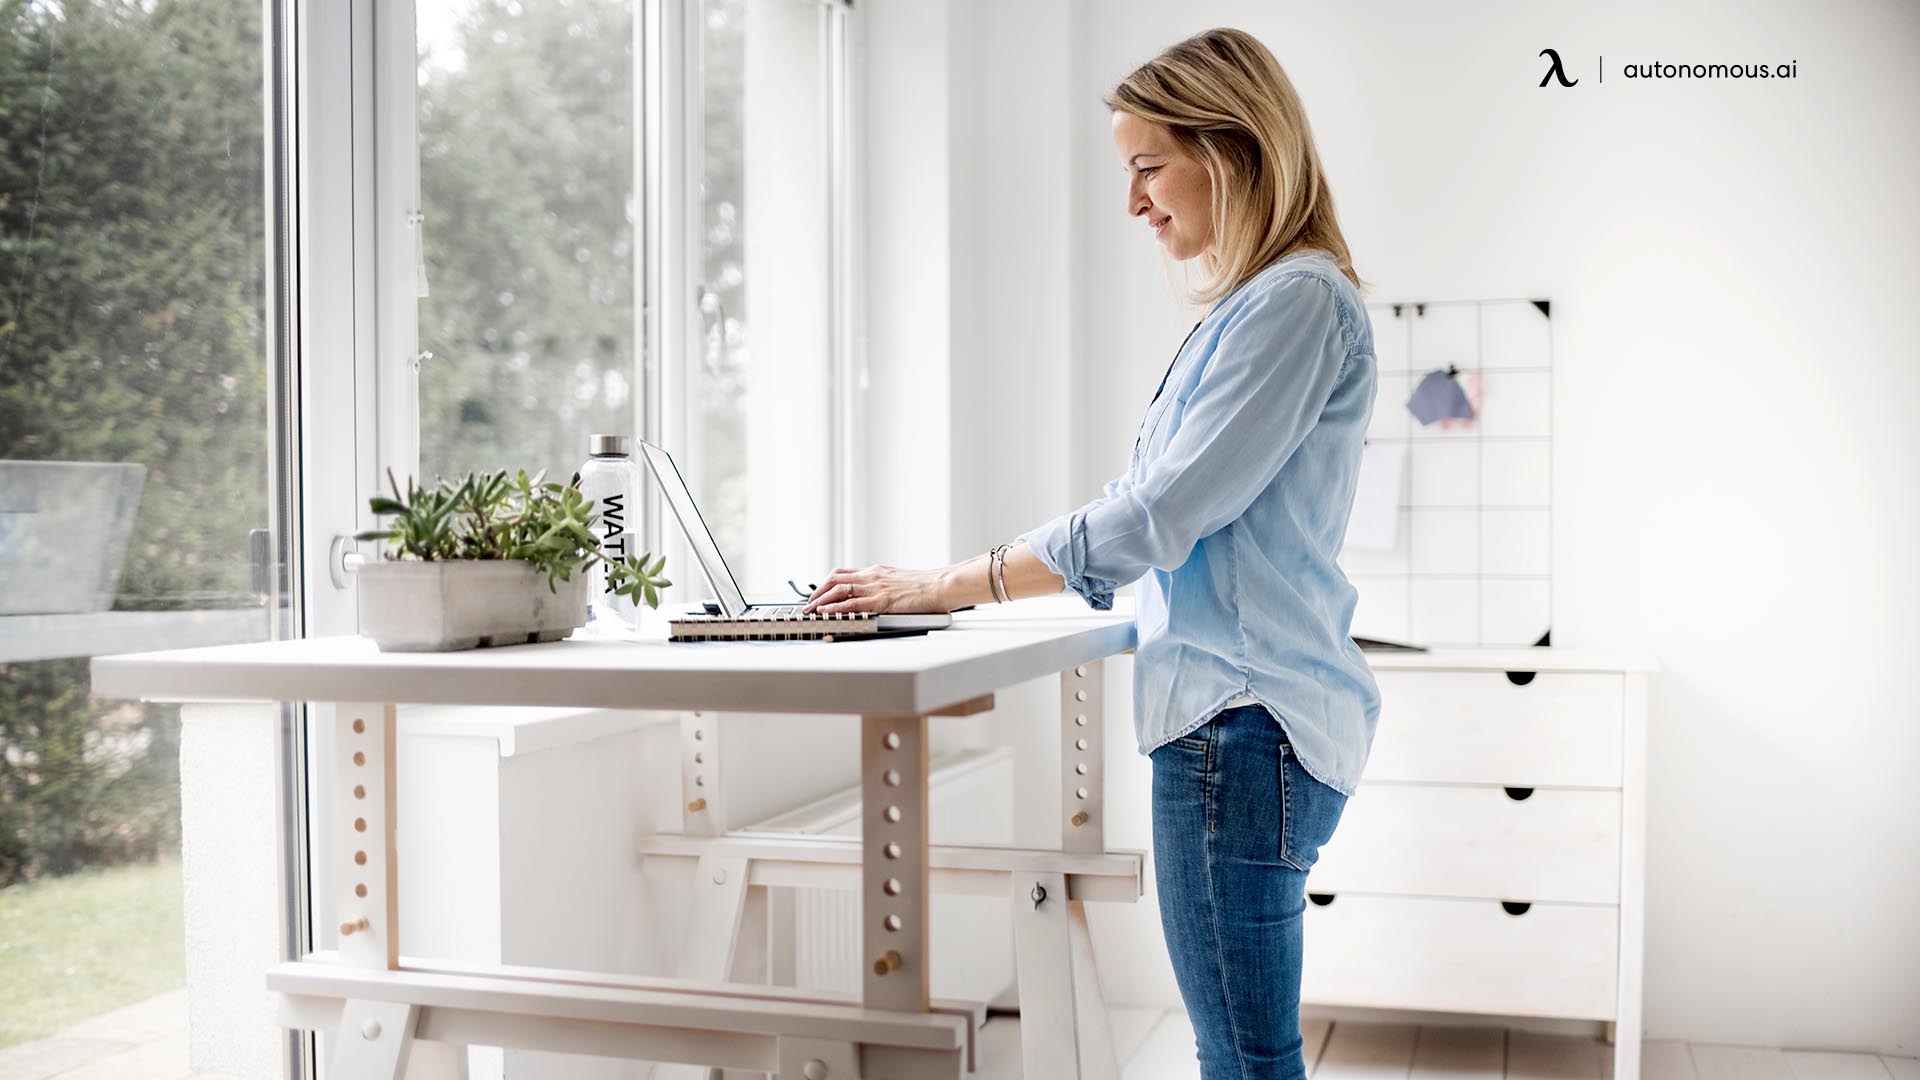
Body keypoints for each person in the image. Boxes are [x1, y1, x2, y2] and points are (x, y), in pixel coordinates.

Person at [805, 27, 1380, 1080]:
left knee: (1245, 1061)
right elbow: (1152, 509)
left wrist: (946, 583)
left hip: (1239, 722)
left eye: (1147, 166)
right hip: (1241, 721)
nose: (1135, 203)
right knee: (1246, 1053)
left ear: (1235, 147)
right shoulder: (1258, 308)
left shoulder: (1293, 303)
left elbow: (1157, 515)